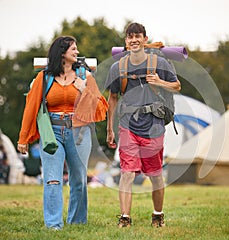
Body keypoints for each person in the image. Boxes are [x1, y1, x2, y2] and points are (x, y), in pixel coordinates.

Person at [17, 36, 108, 230]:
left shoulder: (85, 76)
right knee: (52, 178)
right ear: (62, 53)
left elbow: (101, 106)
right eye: (73, 49)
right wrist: (23, 138)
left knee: (79, 180)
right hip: (53, 133)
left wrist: (84, 90)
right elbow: (31, 107)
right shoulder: (44, 78)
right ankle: (53, 224)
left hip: (79, 133)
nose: (77, 52)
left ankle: (77, 222)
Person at [106, 22, 181, 228]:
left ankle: (158, 215)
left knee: (155, 175)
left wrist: (159, 82)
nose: (134, 40)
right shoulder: (118, 67)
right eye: (130, 37)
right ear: (126, 41)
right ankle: (125, 218)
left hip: (154, 126)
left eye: (138, 36)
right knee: (127, 173)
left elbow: (177, 86)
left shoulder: (160, 64)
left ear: (145, 39)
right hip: (127, 125)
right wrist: (109, 128)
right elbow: (112, 98)